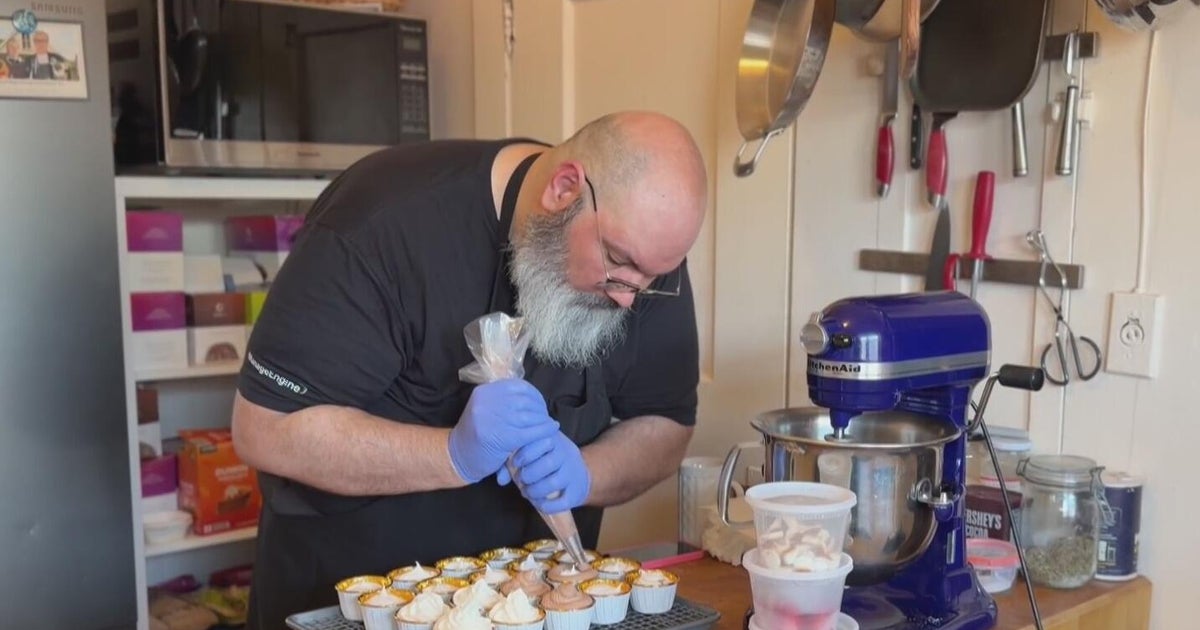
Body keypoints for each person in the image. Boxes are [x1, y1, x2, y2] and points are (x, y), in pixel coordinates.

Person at [231, 110, 707, 629]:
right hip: (346, 602)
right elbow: (264, 428)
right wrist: (452, 455)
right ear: (564, 189)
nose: (629, 299)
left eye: (653, 278)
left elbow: (665, 423)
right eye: (618, 260)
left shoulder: (644, 257)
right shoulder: (381, 223)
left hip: (533, 610)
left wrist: (587, 472)